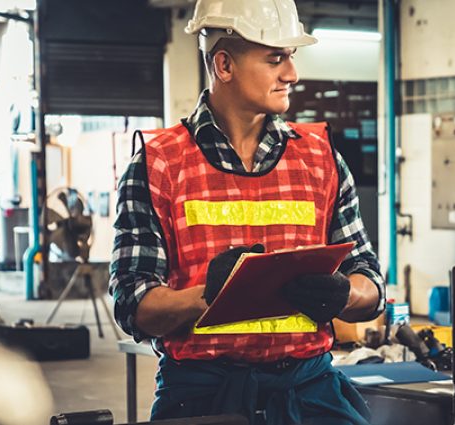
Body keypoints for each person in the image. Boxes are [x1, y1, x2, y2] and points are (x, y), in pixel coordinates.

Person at [109, 0, 385, 423]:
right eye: (276, 58)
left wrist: (345, 293)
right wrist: (206, 296)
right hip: (202, 396)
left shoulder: (321, 159)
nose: (291, 74)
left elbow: (369, 277)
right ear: (224, 65)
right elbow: (132, 304)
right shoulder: (158, 165)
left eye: (291, 58)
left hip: (308, 392)